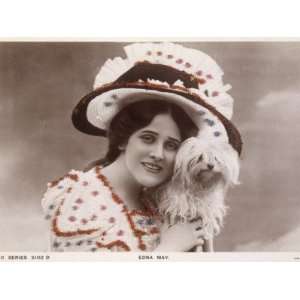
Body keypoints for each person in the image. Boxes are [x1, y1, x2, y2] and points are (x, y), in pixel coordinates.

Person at [42, 42, 242, 252]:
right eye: (148, 138)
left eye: (172, 145)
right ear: (122, 139)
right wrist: (169, 249)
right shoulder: (80, 197)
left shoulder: (158, 205)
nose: (158, 154)